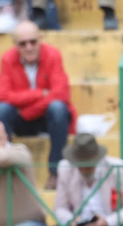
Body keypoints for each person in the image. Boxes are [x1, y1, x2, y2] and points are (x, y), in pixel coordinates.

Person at [0, 20, 73, 186]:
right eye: (23, 43)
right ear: (15, 45)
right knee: (2, 110)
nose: (29, 47)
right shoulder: (7, 59)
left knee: (58, 108)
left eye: (33, 42)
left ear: (41, 39)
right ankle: (4, 168)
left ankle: (55, 173)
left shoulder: (53, 55)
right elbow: (4, 95)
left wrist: (28, 111)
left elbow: (61, 94)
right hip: (21, 120)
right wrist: (40, 93)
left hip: (44, 118)